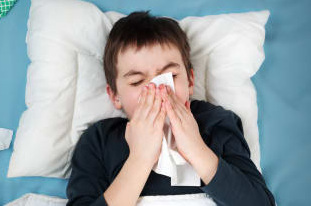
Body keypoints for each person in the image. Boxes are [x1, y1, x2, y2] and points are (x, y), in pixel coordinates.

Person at [66, 11, 275, 206]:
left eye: (171, 76)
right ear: (114, 95)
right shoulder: (100, 140)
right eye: (138, 81)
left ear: (190, 81)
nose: (158, 90)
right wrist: (140, 158)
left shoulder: (216, 122)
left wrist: (196, 149)